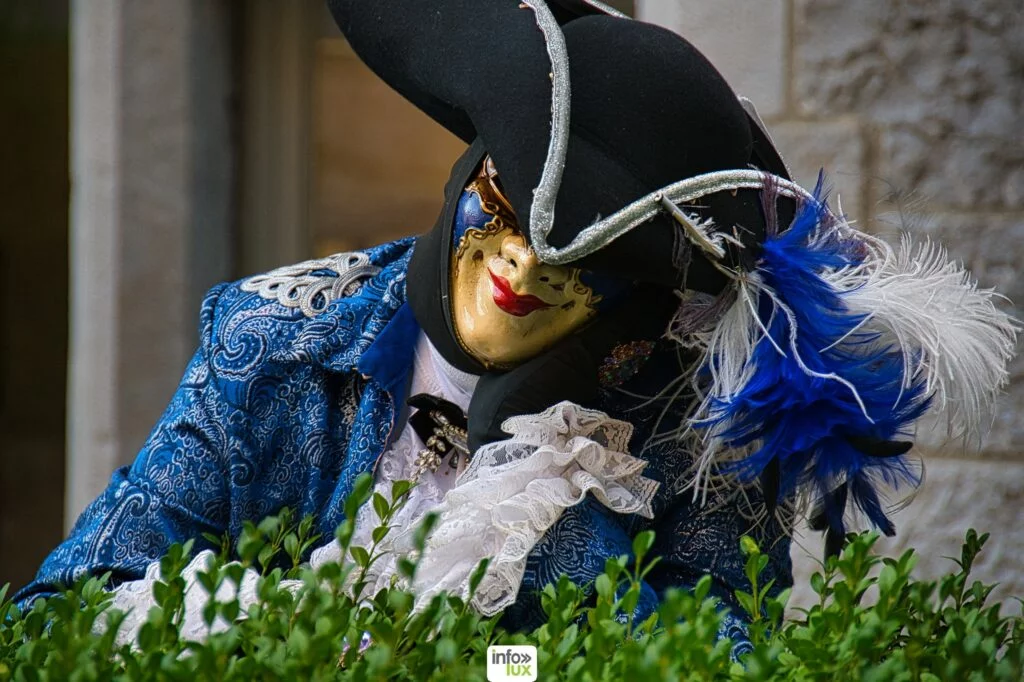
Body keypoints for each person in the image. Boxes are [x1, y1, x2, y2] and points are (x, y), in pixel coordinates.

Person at [15, 0, 1016, 658]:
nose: (526, 264)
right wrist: (289, 634)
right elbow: (58, 621)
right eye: (504, 204)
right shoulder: (274, 345)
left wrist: (542, 512)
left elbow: (705, 656)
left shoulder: (691, 437)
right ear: (467, 169)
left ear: (643, 293)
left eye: (588, 256)